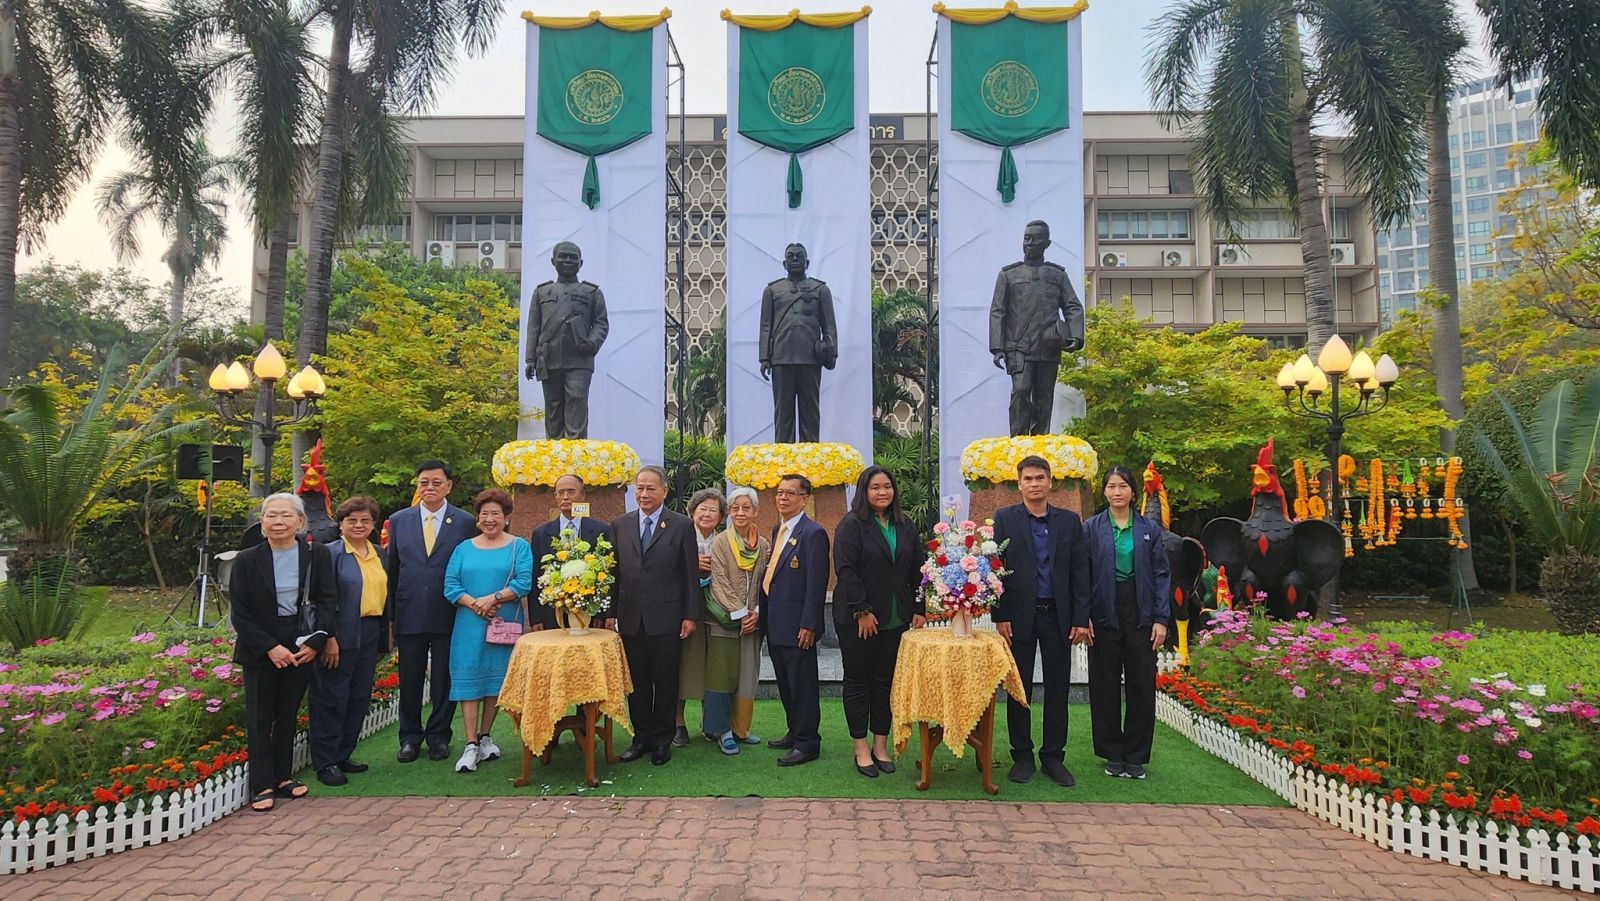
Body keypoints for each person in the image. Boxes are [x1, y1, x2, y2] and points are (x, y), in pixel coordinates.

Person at [229, 493, 335, 812]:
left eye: (286, 516)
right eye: (271, 516)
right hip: (260, 642)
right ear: (261, 522)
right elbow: (240, 614)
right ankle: (261, 784)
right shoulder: (247, 560)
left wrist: (316, 642)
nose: (278, 521)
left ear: (300, 522)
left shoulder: (316, 555)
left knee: (288, 712)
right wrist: (270, 647)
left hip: (300, 638)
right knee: (260, 716)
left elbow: (328, 601)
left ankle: (282, 777)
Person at [991, 454, 1091, 787]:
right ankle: (1022, 755)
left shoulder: (1068, 522)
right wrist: (1000, 615)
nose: (1034, 484)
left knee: (1058, 687)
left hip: (1058, 617)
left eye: (1040, 478)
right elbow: (995, 570)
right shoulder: (1005, 519)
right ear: (1018, 484)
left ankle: (1053, 757)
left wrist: (1080, 618)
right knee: (1019, 689)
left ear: (1050, 482)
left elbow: (1080, 572)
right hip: (1019, 618)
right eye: (1028, 479)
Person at [833, 466, 925, 778]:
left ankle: (880, 746)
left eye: (887, 486)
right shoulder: (851, 525)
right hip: (859, 619)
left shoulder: (904, 523)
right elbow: (846, 571)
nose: (882, 492)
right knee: (859, 682)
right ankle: (861, 748)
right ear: (864, 491)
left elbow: (918, 568)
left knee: (886, 683)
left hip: (896, 618)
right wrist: (861, 610)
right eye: (875, 487)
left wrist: (920, 607)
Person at [1084, 465, 1172, 780]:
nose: (1117, 492)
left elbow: (1162, 574)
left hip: (1141, 612)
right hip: (1104, 610)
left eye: (1123, 486)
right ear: (1104, 491)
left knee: (1141, 684)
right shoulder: (1091, 528)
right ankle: (1112, 752)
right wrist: (1084, 617)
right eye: (1111, 486)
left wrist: (1161, 618)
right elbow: (1082, 575)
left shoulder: (1149, 528)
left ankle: (1135, 755)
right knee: (1104, 684)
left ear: (1133, 491)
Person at [386, 460, 476, 764]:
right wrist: (391, 616)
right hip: (409, 611)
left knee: (443, 679)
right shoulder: (399, 520)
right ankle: (409, 738)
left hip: (448, 612)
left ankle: (439, 736)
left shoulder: (464, 522)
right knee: (409, 678)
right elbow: (392, 569)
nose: (430, 488)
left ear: (448, 486)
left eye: (437, 482)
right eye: (424, 482)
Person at [610, 466, 698, 766]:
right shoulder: (620, 524)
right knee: (637, 682)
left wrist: (689, 615)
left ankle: (663, 740)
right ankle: (641, 738)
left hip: (668, 617)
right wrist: (611, 613)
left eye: (650, 488)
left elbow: (689, 574)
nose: (644, 494)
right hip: (631, 616)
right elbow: (615, 573)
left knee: (665, 680)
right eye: (640, 488)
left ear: (664, 491)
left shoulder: (681, 525)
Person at [443, 489, 535, 774]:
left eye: (495, 514)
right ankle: (470, 744)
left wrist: (493, 598)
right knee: (469, 680)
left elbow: (523, 582)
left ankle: (485, 737)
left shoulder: (519, 546)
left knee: (495, 680)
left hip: (503, 623)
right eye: (484, 514)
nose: (489, 519)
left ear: (507, 518)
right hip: (469, 623)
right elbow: (451, 586)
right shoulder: (463, 548)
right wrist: (475, 603)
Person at [310, 495, 390, 787]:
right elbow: (321, 601)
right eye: (351, 520)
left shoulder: (380, 554)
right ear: (340, 524)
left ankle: (343, 753)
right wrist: (328, 637)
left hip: (369, 632)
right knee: (332, 697)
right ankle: (326, 761)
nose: (358, 525)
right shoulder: (329, 554)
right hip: (339, 633)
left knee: (358, 696)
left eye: (365, 520)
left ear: (373, 524)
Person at [989, 220, 1086, 436]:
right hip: (1018, 347)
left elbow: (1072, 306)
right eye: (1026, 238)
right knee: (1021, 392)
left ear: (1047, 243)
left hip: (1048, 346)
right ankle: (1019, 442)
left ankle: (1040, 443)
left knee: (1044, 398)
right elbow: (998, 311)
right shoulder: (1009, 275)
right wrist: (998, 348)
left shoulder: (1057, 275)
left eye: (1035, 239)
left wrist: (1076, 336)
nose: (1029, 243)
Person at [758, 473, 830, 766]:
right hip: (776, 621)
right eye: (779, 492)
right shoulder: (779, 529)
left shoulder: (813, 533)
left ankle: (808, 742)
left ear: (805, 499)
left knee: (803, 685)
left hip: (798, 624)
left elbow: (816, 583)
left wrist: (809, 624)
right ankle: (794, 730)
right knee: (786, 683)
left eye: (790, 493)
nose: (783, 497)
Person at [523, 241, 610, 439]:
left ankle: (576, 451)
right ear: (553, 261)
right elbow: (533, 327)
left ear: (581, 263)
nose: (568, 260)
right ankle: (554, 451)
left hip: (579, 358)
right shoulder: (541, 292)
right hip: (549, 357)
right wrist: (530, 360)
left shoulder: (592, 292)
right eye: (563, 256)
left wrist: (591, 343)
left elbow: (601, 323)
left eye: (573, 257)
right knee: (553, 406)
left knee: (576, 400)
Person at [706, 487, 769, 753]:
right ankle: (721, 731)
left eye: (746, 507)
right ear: (729, 513)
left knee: (747, 675)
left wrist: (755, 612)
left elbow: (763, 582)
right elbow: (719, 582)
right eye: (735, 508)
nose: (740, 513)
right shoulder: (720, 541)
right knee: (721, 676)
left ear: (755, 511)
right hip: (724, 621)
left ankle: (741, 728)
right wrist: (741, 612)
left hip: (751, 622)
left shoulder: (763, 544)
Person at [759, 243, 838, 443]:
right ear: (785, 263)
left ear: (807, 262)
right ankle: (784, 455)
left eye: (799, 256)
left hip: (810, 357)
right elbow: (766, 325)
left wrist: (831, 351)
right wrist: (764, 357)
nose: (795, 259)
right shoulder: (772, 290)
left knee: (810, 410)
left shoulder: (820, 290)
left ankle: (810, 453)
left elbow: (829, 325)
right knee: (782, 412)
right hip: (781, 356)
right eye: (791, 256)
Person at [673, 489, 725, 747]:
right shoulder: (678, 535)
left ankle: (710, 723)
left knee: (712, 668)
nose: (706, 514)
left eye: (713, 510)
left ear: (720, 517)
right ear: (692, 512)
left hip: (716, 613)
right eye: (702, 508)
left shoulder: (725, 541)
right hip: (684, 611)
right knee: (683, 666)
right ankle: (678, 724)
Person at [529, 473, 613, 630]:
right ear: (555, 497)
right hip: (552, 614)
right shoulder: (541, 533)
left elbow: (609, 573)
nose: (565, 497)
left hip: (590, 613)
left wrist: (605, 614)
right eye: (560, 493)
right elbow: (535, 577)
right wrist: (536, 619)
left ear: (583, 495)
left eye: (571, 492)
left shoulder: (601, 530)